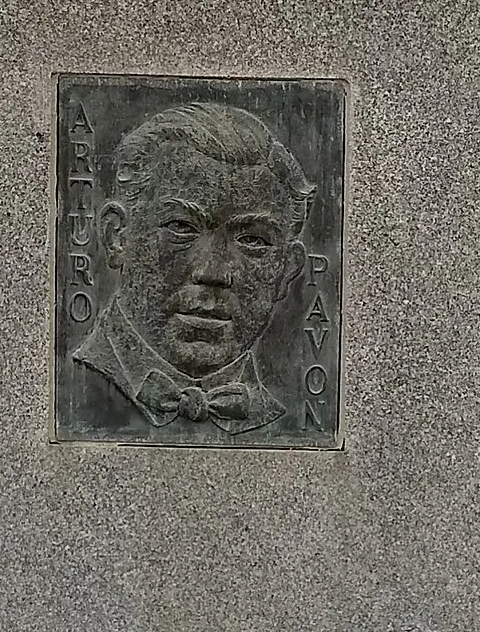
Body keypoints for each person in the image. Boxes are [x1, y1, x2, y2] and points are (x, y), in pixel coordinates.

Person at [72, 100, 312, 433]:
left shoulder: (300, 417)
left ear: (287, 269)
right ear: (117, 237)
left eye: (254, 241)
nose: (213, 272)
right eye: (182, 227)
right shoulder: (69, 393)